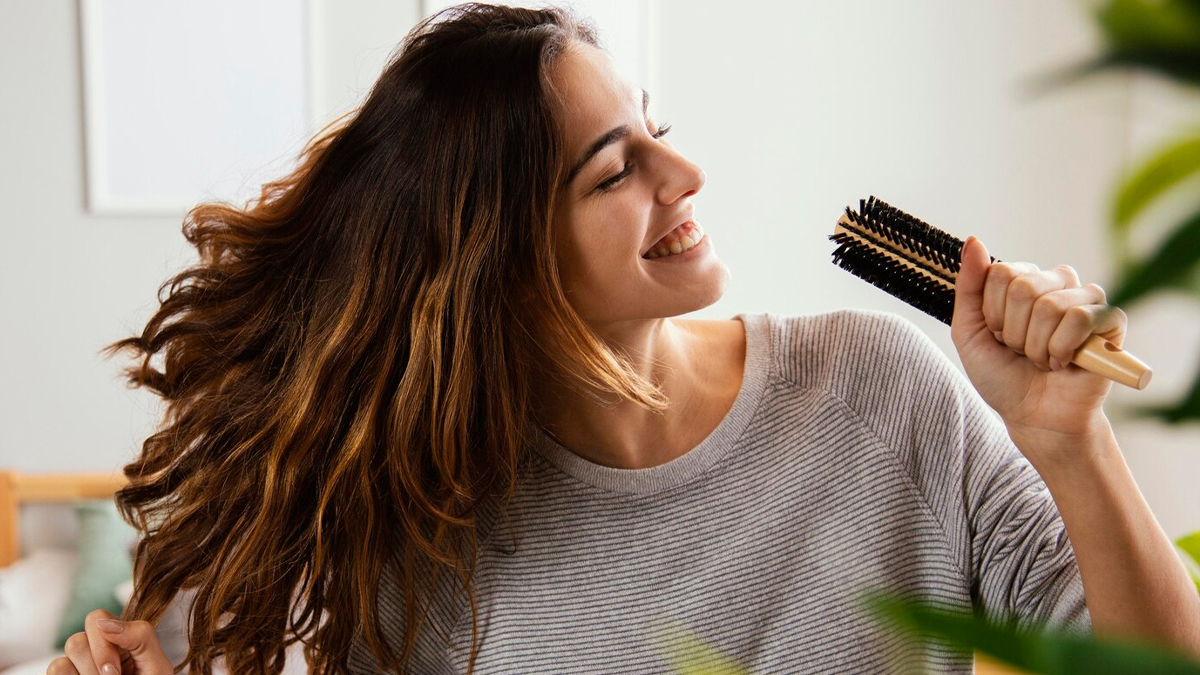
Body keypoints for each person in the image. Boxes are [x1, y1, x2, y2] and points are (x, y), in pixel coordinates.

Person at [50, 3, 1200, 675]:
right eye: (616, 169)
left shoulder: (880, 390)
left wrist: (1068, 440)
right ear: (494, 258)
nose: (686, 174)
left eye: (658, 130)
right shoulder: (387, 518)